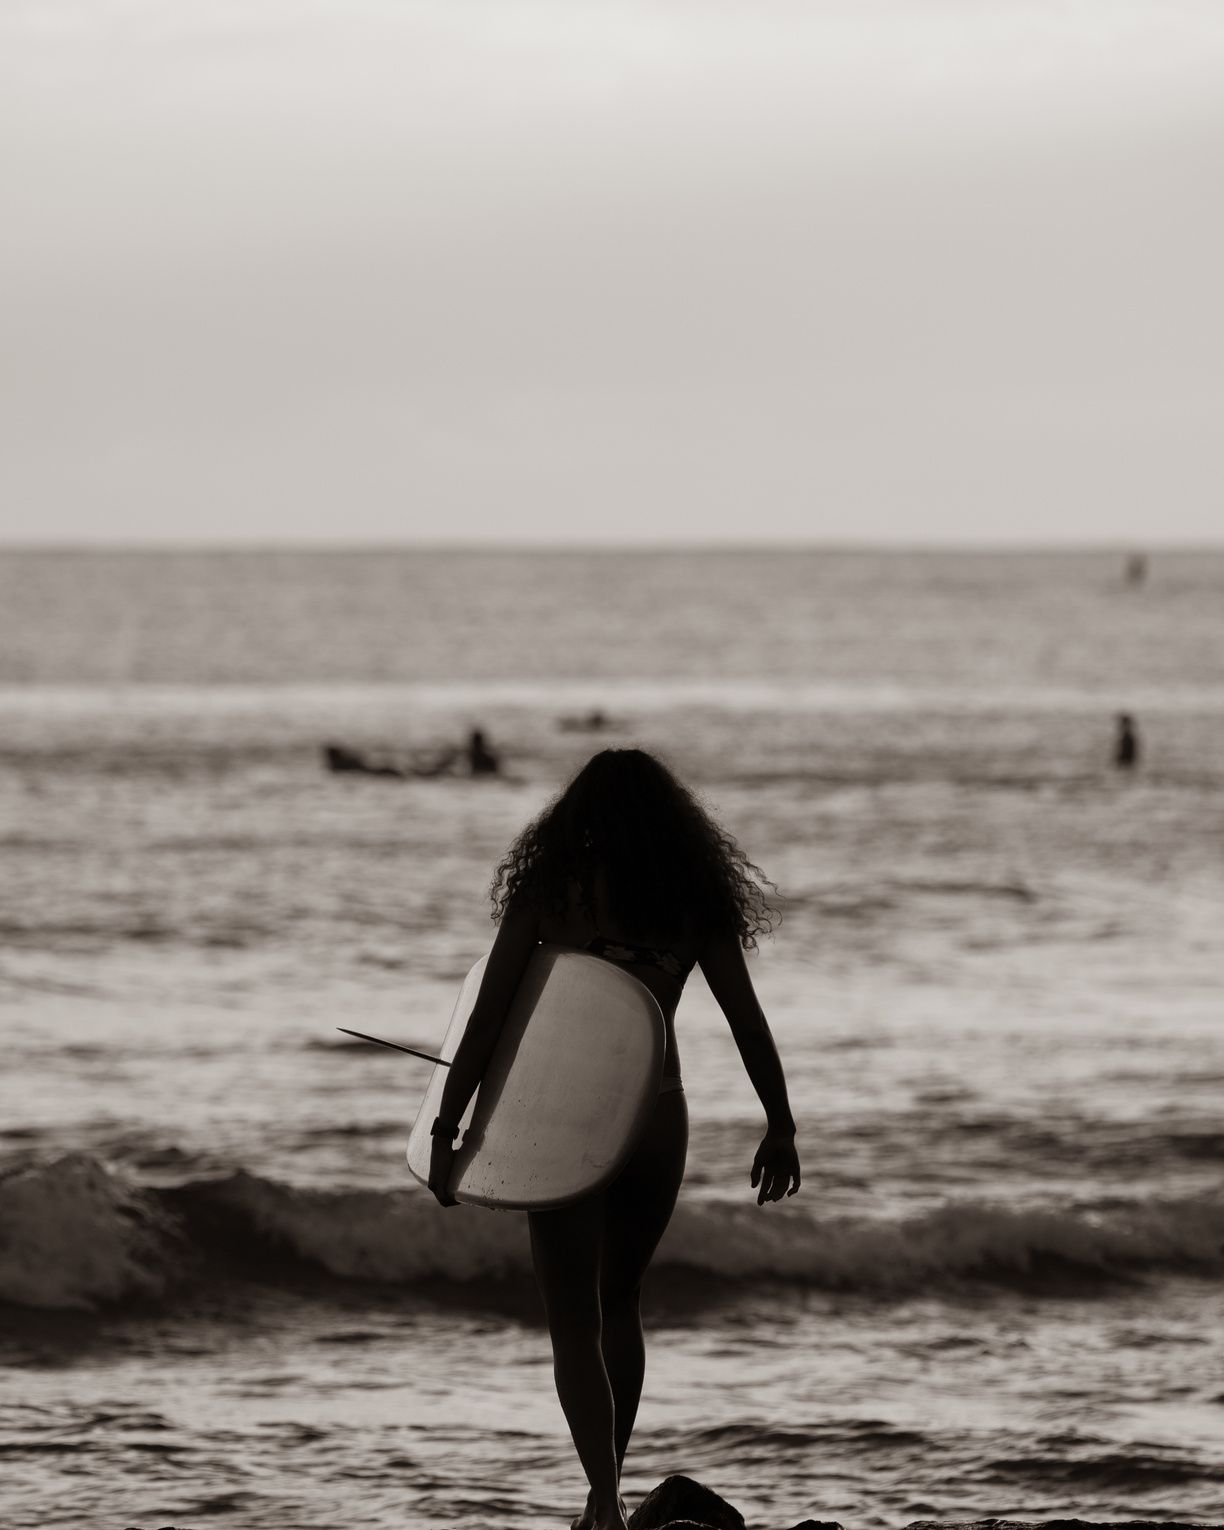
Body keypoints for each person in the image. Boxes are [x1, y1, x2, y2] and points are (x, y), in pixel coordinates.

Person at [427, 749, 801, 1530]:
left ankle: (602, 1494)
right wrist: (780, 1123)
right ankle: (613, 1483)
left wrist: (446, 1122)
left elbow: (486, 1022)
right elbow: (746, 1020)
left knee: (572, 1318)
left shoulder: (550, 890)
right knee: (620, 1300)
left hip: (566, 1117)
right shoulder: (692, 901)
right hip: (658, 1111)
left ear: (578, 816)